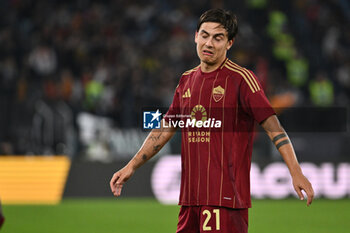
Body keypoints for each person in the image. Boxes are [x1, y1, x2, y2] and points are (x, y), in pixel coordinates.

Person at [110, 9, 314, 233]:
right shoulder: (186, 81)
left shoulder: (242, 80)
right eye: (205, 35)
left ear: (229, 43)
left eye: (218, 38)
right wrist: (131, 165)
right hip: (190, 201)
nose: (209, 43)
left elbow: (274, 127)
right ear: (195, 36)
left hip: (224, 200)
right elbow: (166, 128)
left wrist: (295, 171)